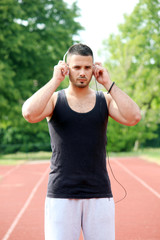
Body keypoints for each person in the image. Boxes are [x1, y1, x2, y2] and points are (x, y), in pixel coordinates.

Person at [22, 43, 141, 240]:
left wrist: (108, 83)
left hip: (99, 193)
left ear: (94, 69)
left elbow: (134, 117)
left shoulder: (106, 100)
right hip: (61, 194)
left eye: (87, 67)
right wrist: (55, 80)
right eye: (77, 67)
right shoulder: (53, 100)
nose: (82, 72)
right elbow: (28, 113)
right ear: (67, 68)